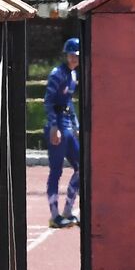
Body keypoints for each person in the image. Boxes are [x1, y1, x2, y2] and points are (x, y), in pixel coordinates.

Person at [44, 36, 81, 228]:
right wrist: (53, 127)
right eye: (71, 55)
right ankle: (55, 215)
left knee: (81, 166)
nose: (73, 58)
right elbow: (49, 101)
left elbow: (69, 103)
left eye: (76, 55)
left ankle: (68, 210)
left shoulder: (74, 75)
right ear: (66, 55)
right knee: (56, 170)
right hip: (57, 125)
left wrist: (76, 126)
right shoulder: (57, 73)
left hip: (67, 124)